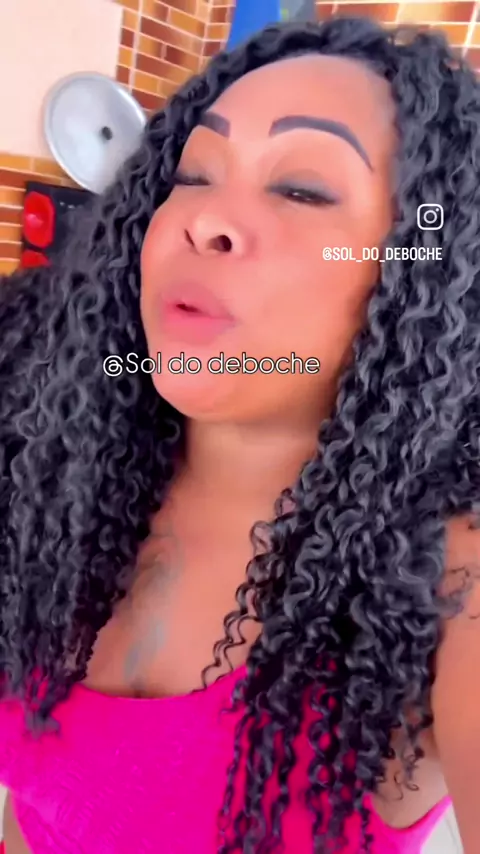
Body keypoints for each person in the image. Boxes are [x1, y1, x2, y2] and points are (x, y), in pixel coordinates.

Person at [0, 14, 479, 854]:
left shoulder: (449, 580)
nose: (207, 219)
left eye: (303, 189)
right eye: (192, 175)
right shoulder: (51, 459)